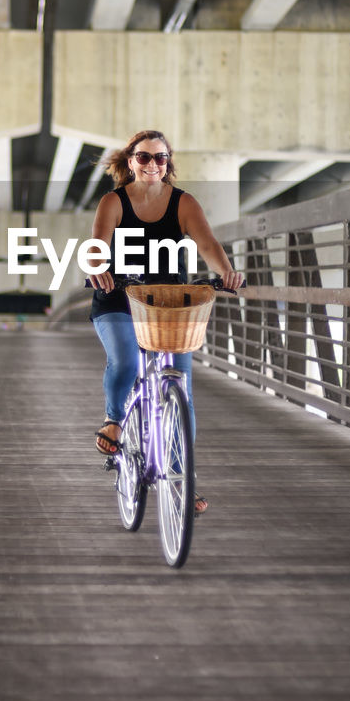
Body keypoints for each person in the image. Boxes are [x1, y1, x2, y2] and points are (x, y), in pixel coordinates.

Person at [87, 129, 244, 514]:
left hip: (166, 303)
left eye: (160, 158)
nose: (153, 165)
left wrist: (226, 272)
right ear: (130, 162)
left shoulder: (183, 203)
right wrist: (97, 269)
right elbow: (97, 246)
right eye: (144, 157)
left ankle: (180, 481)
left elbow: (207, 243)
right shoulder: (114, 201)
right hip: (118, 298)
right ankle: (114, 419)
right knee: (125, 360)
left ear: (168, 164)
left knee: (181, 391)